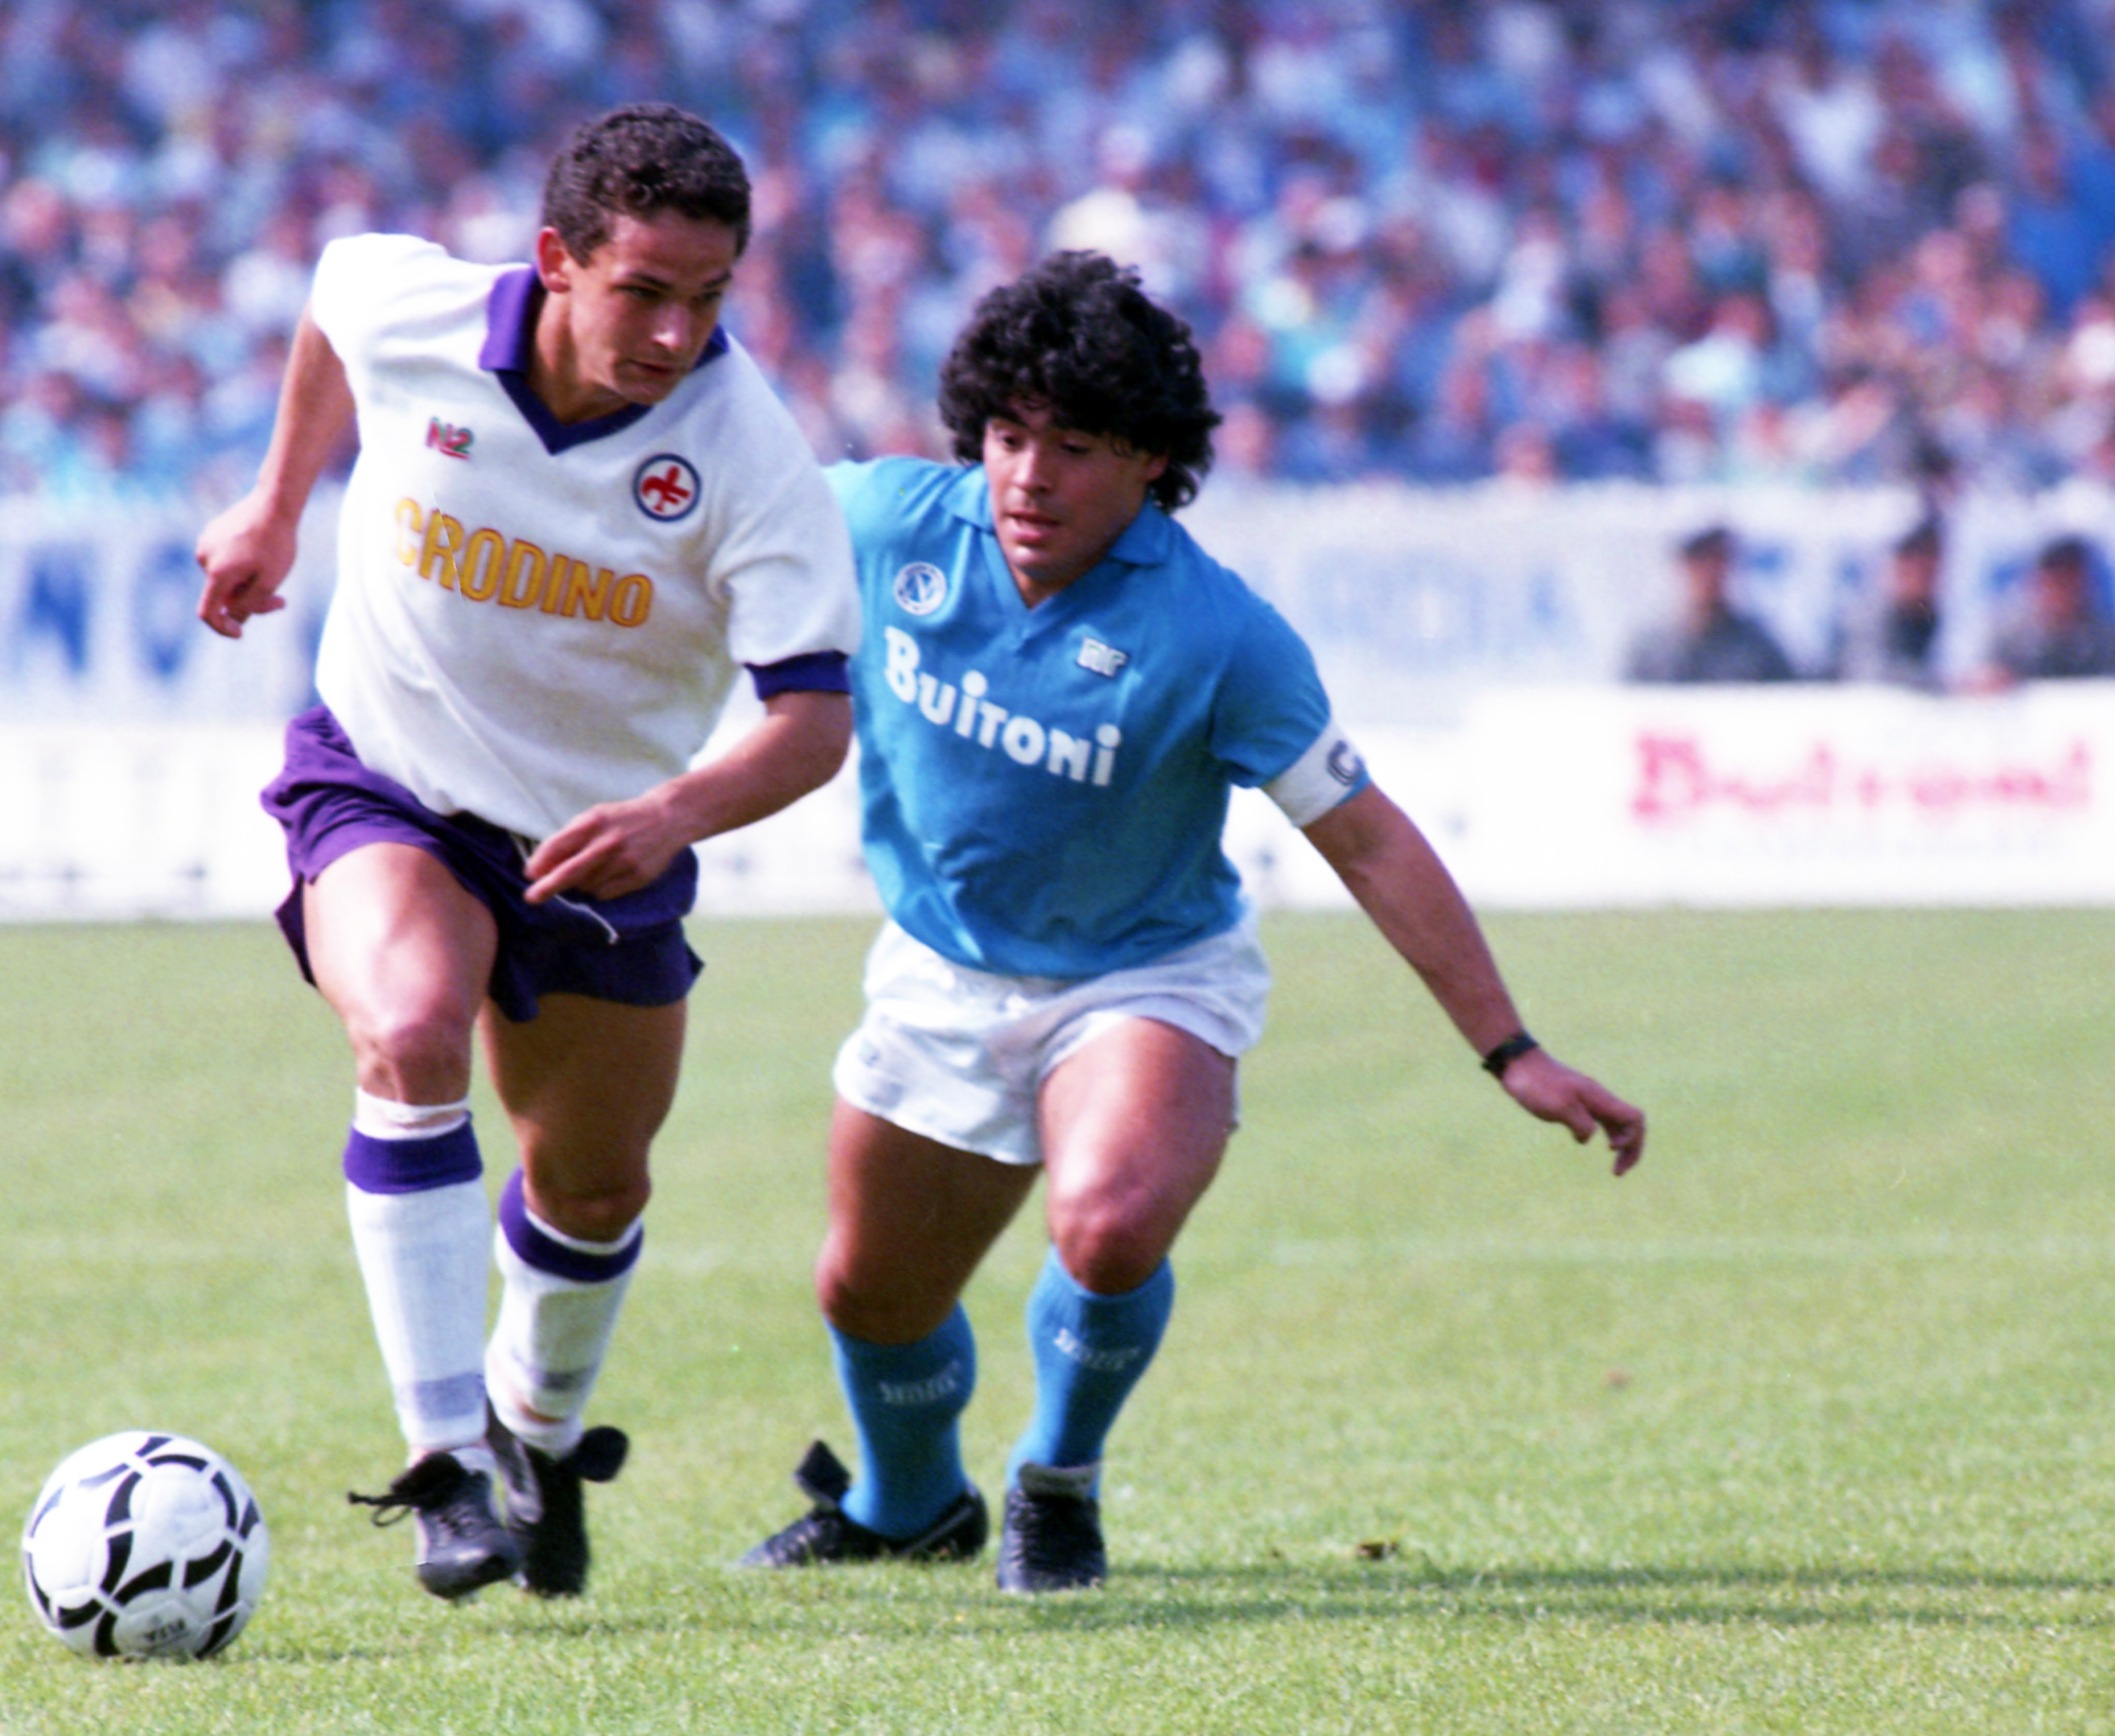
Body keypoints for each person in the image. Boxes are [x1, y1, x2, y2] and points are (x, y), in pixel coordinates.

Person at [740, 252, 1645, 1595]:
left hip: (1143, 975)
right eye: (1006, 437)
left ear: (1155, 462)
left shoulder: (1221, 635)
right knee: (867, 1294)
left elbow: (1368, 835)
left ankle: (1058, 1478)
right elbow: (700, 535)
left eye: (1075, 447)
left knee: (1104, 1222)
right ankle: (909, 1501)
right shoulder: (877, 523)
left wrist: (1510, 1046)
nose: (1028, 477)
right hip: (939, 967)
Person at [192, 105, 858, 1603]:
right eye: (645, 292)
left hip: (603, 845)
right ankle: (442, 1466)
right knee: (414, 1025)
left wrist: (676, 814)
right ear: (557, 261)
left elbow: (815, 721)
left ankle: (533, 1436)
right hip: (390, 779)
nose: (677, 331)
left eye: (711, 297)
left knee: (593, 1185)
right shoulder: (417, 309)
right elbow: (330, 306)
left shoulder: (749, 459)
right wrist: (276, 500)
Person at [1623, 523, 1798, 684]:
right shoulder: (1652, 648)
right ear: (1684, 568)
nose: (1711, 574)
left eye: (1719, 562)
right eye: (1702, 563)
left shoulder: (1755, 646)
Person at [1975, 533, 2115, 686]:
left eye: (2073, 583)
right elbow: (1981, 675)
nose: (2065, 593)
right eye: (2058, 583)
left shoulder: (2104, 635)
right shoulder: (2010, 633)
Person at [1831, 514, 1947, 690]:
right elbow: (1868, 676)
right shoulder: (1868, 619)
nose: (1919, 578)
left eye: (1928, 570)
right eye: (1912, 569)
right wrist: (1941, 685)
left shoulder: (1951, 616)